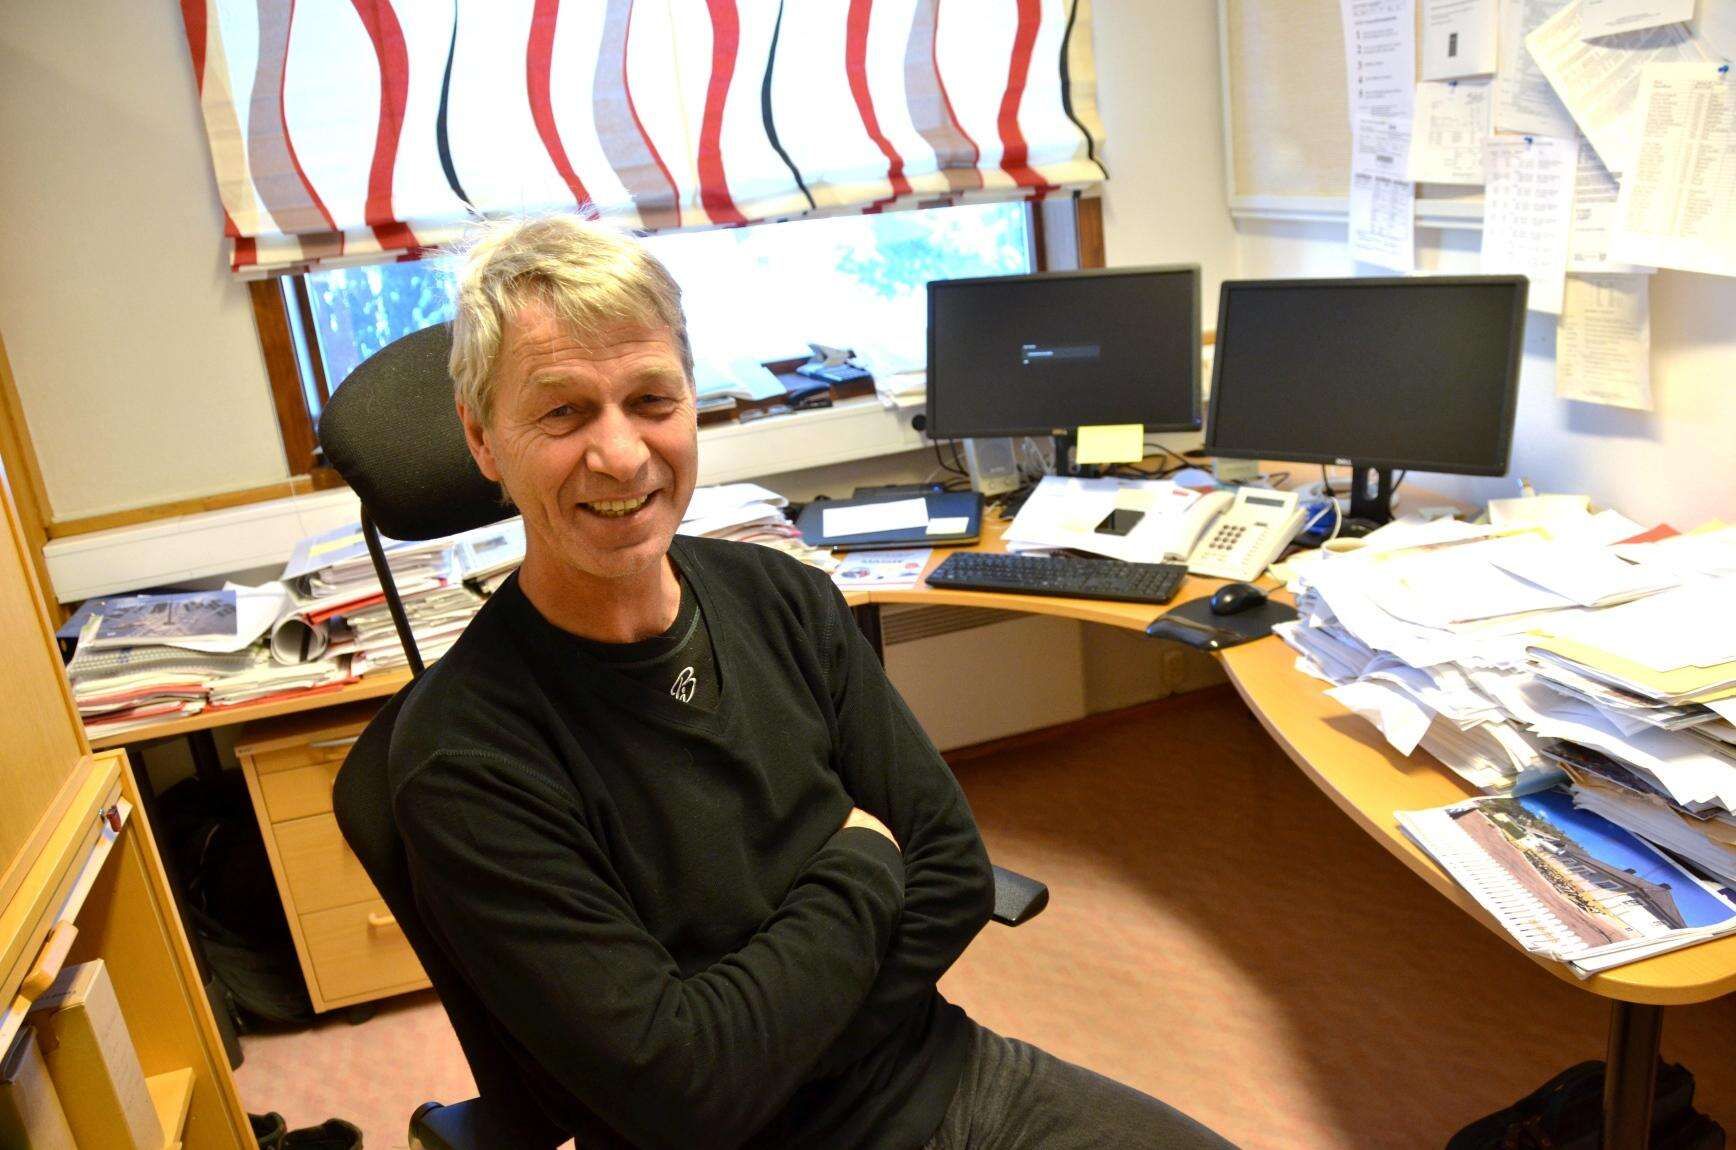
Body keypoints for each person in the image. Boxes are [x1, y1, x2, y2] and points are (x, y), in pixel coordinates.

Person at [389, 215, 1236, 1150]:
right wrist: (863, 863)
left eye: (652, 399)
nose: (622, 454)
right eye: (563, 413)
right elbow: (681, 1092)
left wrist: (753, 1053)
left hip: (944, 1080)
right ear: (482, 438)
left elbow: (952, 872)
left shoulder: (782, 598)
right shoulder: (465, 756)